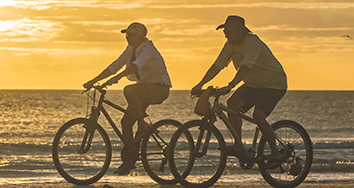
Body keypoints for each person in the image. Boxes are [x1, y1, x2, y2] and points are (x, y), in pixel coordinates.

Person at [191, 15, 287, 169]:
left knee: (258, 116)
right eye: (225, 32)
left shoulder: (252, 43)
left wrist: (231, 85)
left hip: (273, 84)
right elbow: (217, 65)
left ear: (240, 32)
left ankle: (276, 153)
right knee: (232, 104)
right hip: (253, 84)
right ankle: (238, 146)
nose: (226, 35)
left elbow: (245, 68)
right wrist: (200, 84)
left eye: (229, 32)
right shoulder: (230, 45)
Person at [83, 22, 172, 175]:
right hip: (144, 90)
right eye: (126, 34)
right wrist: (93, 80)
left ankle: (143, 126)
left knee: (129, 90)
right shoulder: (130, 50)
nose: (127, 37)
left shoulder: (148, 49)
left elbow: (134, 67)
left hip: (159, 88)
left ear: (139, 36)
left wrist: (116, 79)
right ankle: (129, 161)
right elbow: (114, 66)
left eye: (130, 35)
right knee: (126, 122)